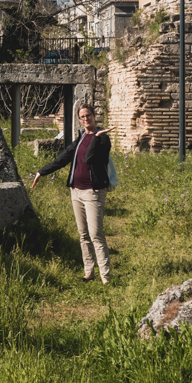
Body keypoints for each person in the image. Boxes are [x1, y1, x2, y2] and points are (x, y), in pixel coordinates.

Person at [30, 104, 113, 284]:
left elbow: (90, 158)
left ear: (94, 115)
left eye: (88, 115)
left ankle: (105, 276)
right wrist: (42, 171)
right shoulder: (81, 137)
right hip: (76, 191)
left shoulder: (103, 139)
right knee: (83, 234)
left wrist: (96, 137)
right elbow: (64, 157)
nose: (85, 119)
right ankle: (89, 272)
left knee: (95, 234)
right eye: (82, 117)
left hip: (93, 192)